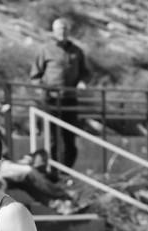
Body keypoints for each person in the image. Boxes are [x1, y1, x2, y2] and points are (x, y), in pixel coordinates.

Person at [29, 17, 91, 169]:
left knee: (69, 138)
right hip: (50, 100)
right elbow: (35, 76)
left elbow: (86, 73)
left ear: (69, 32)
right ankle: (53, 171)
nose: (62, 32)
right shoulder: (45, 50)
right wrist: (43, 90)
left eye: (65, 29)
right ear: (54, 31)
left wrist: (83, 82)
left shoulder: (77, 51)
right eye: (59, 29)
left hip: (70, 100)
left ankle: (67, 172)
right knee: (52, 139)